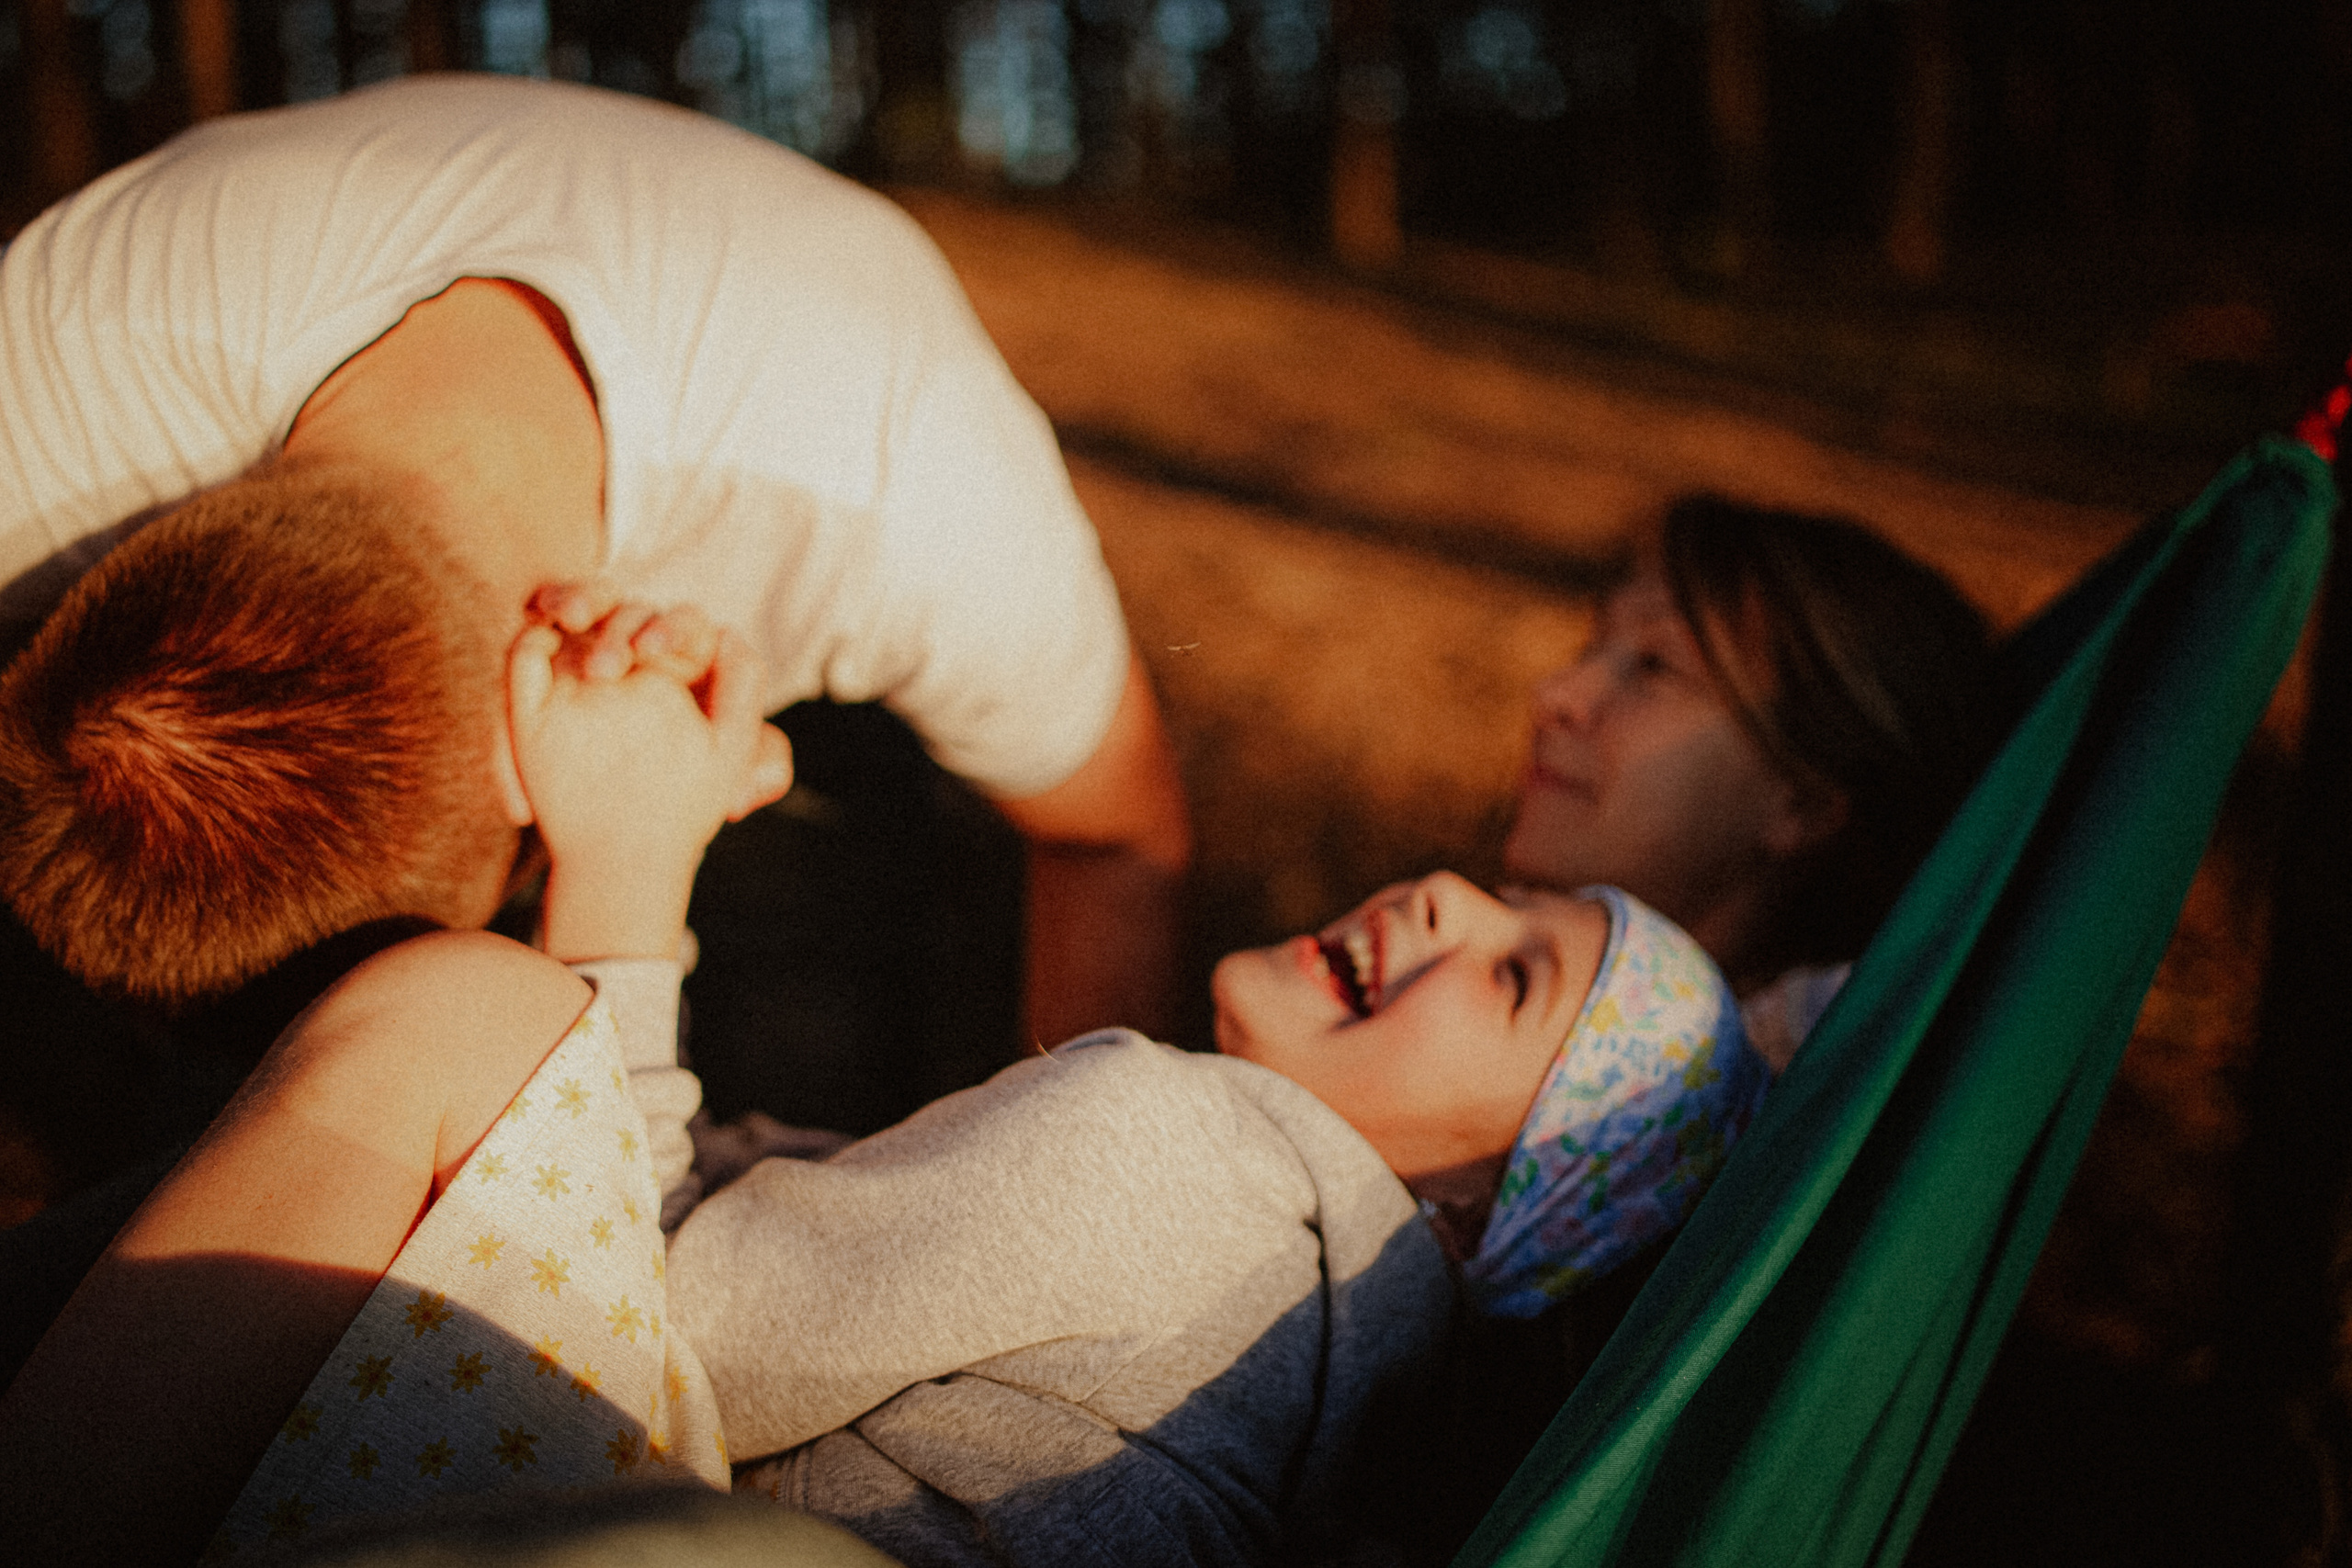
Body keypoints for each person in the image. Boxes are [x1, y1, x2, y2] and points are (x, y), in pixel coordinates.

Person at [0, 582, 1768, 1566]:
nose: (1449, 893)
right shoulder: (1304, 1371)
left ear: (1483, 1206)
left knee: (464, 1016)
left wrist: (629, 854)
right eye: (1510, 894)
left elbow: (661, 1306)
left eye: (1524, 973)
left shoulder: (1198, 1153)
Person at [0, 70, 1187, 1055]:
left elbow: (1121, 837)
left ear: (532, 796)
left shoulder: (909, 511)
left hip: (805, 397)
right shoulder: (55, 384)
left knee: (800, 1000)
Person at [1503, 495, 1996, 1068]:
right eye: (1591, 647)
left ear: (1804, 803)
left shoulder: (1761, 1105)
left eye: (1653, 666)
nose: (1555, 695)